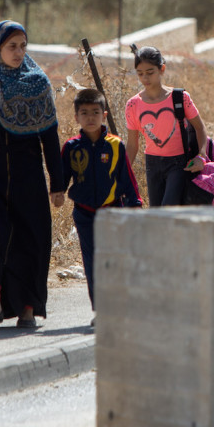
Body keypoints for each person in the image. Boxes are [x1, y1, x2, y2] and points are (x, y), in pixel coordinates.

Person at [0, 20, 65, 329]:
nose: (18, 52)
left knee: (30, 238)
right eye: (11, 46)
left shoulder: (38, 82)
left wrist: (57, 183)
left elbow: (50, 135)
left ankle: (28, 308)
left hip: (28, 173)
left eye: (22, 46)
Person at [61, 89, 142, 323]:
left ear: (104, 115)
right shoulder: (71, 147)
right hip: (84, 214)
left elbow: (127, 178)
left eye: (95, 112)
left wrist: (135, 204)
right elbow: (63, 176)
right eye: (84, 113)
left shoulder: (115, 145)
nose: (90, 117)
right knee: (92, 261)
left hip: (112, 212)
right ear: (76, 117)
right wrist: (57, 192)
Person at [125, 45, 208, 206]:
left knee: (167, 209)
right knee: (157, 215)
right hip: (152, 165)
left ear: (162, 69)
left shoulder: (180, 98)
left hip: (179, 164)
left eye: (150, 73)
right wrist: (122, 173)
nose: (145, 78)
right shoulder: (133, 105)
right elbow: (132, 145)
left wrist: (201, 157)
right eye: (140, 74)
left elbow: (200, 127)